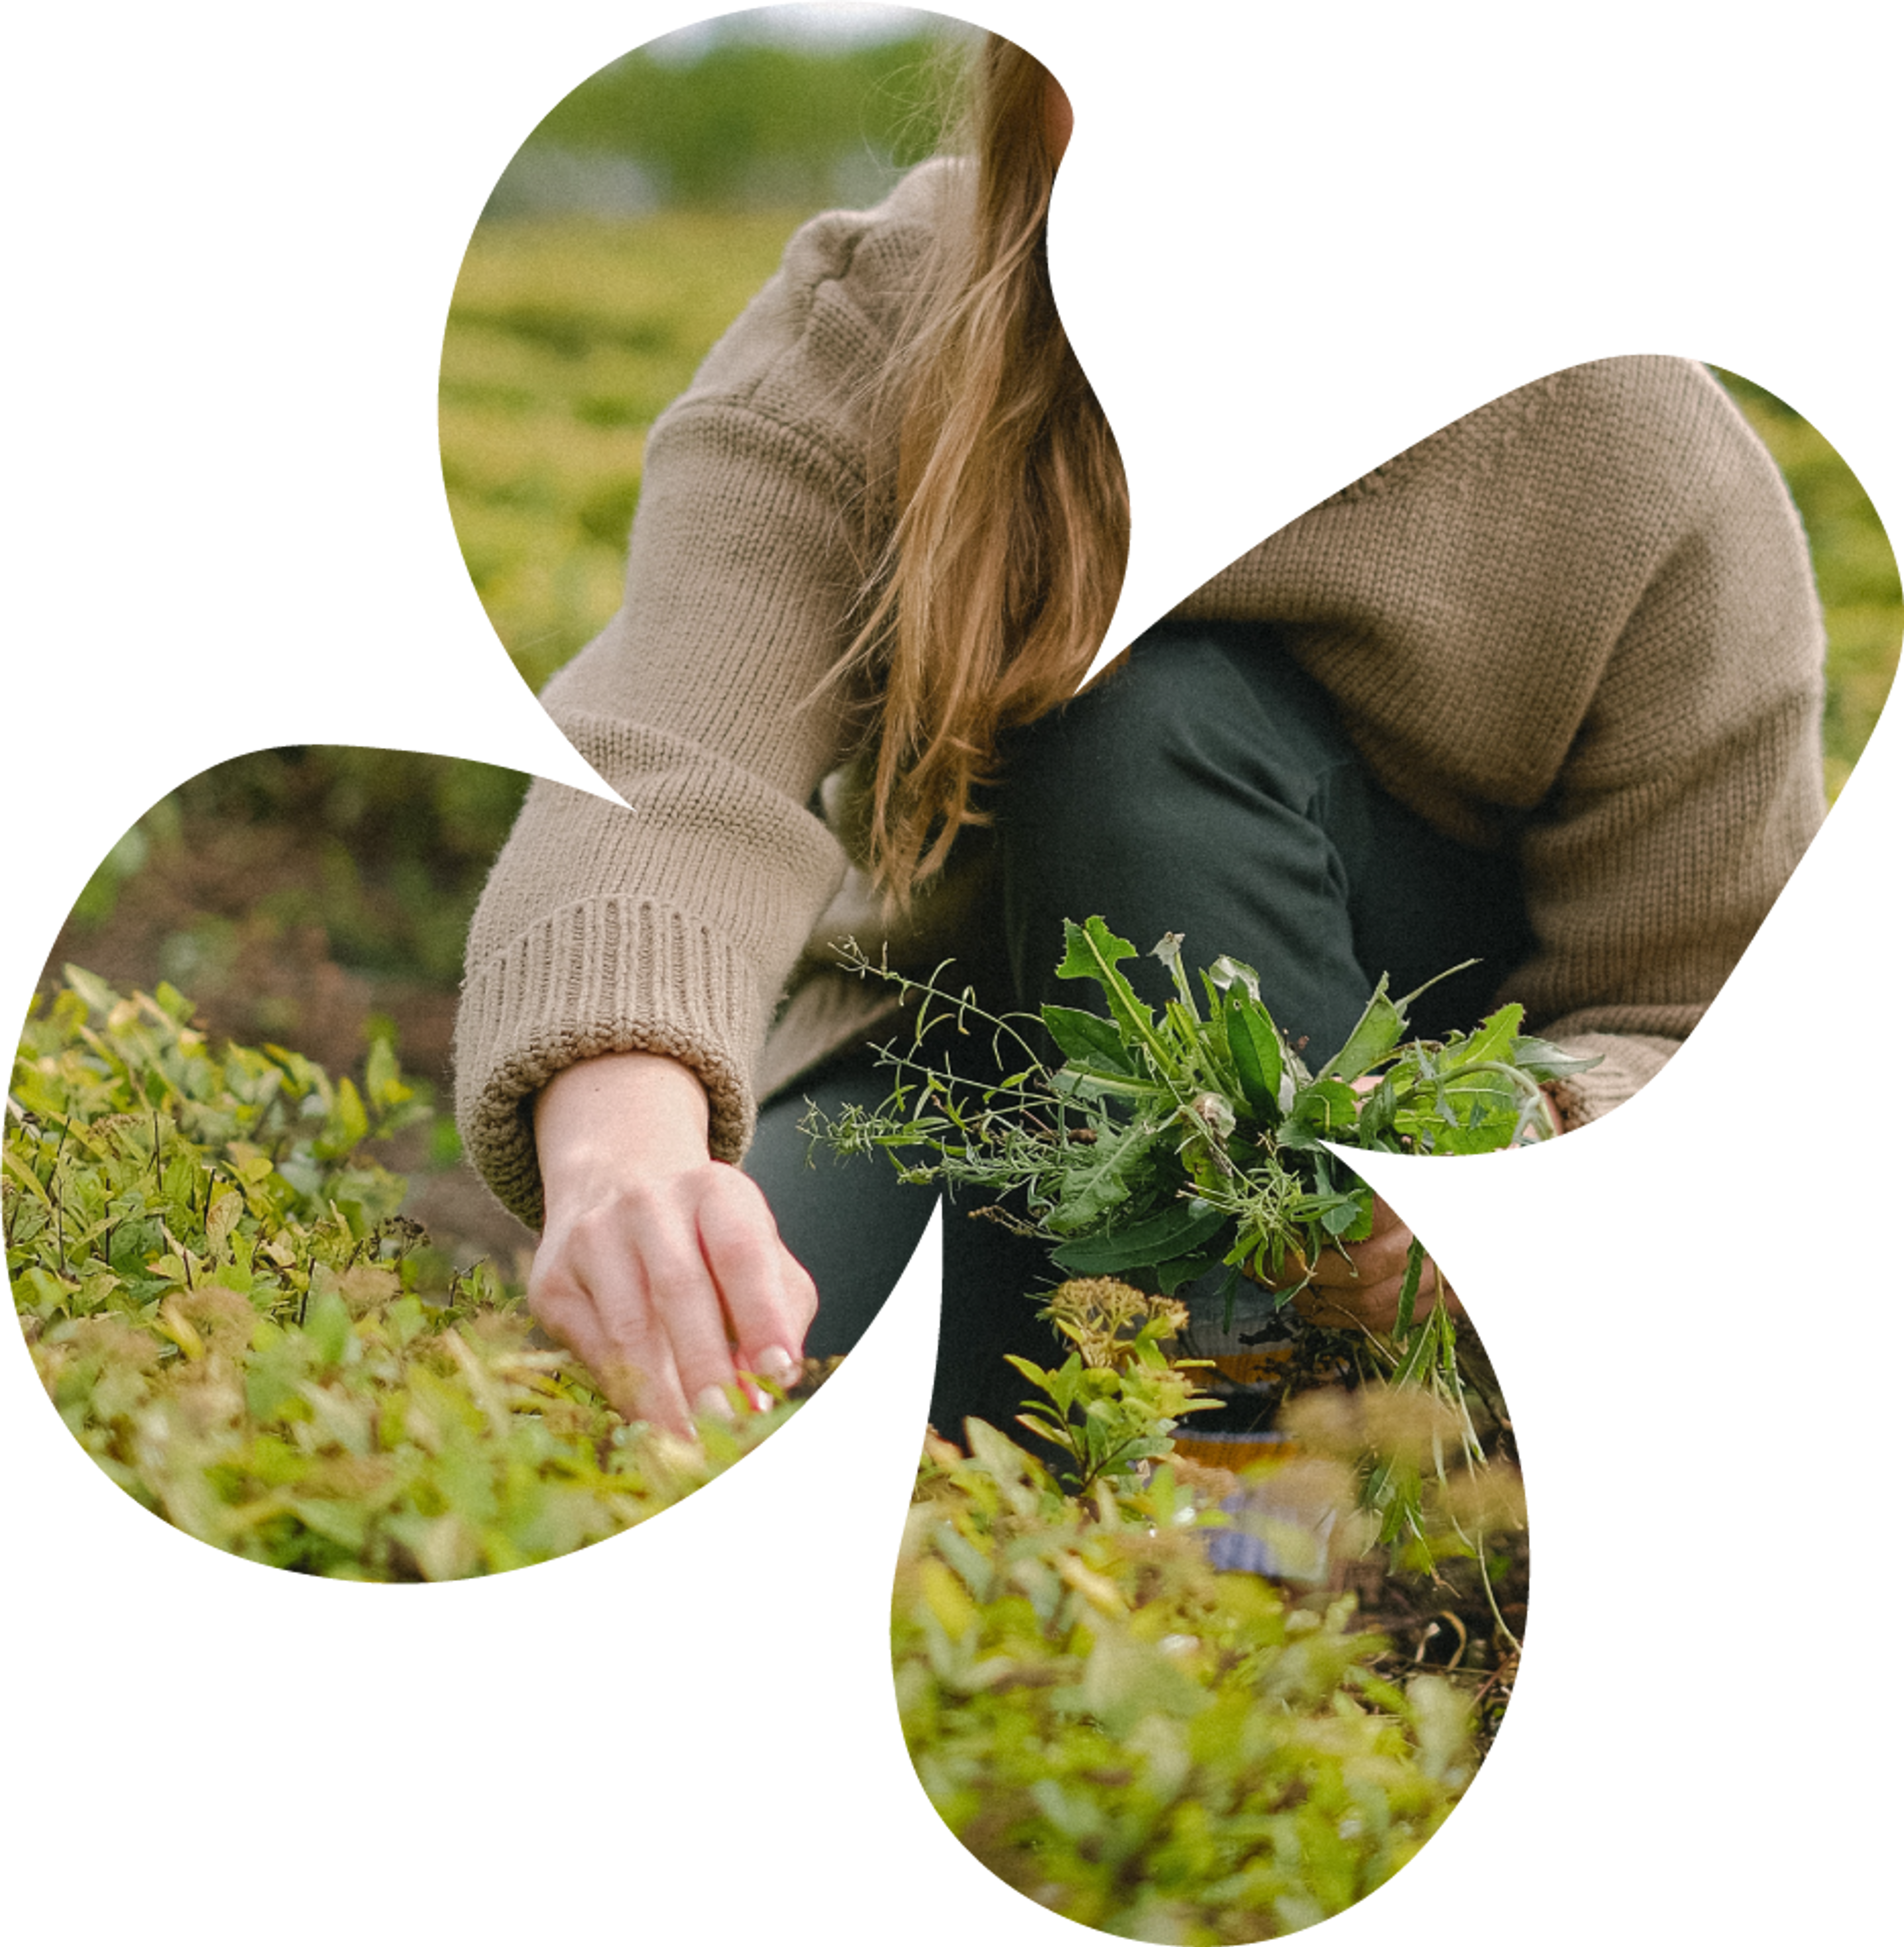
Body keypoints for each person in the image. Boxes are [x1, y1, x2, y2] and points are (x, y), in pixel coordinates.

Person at [451, 29, 1829, 1470]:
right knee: (704, 1396)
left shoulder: (1648, 460)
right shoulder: (894, 310)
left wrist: (1508, 1135)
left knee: (1145, 728)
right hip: (971, 1086)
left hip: (1372, 1190)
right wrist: (629, 1157)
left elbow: (1685, 998)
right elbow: (672, 757)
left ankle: (1282, 1464)